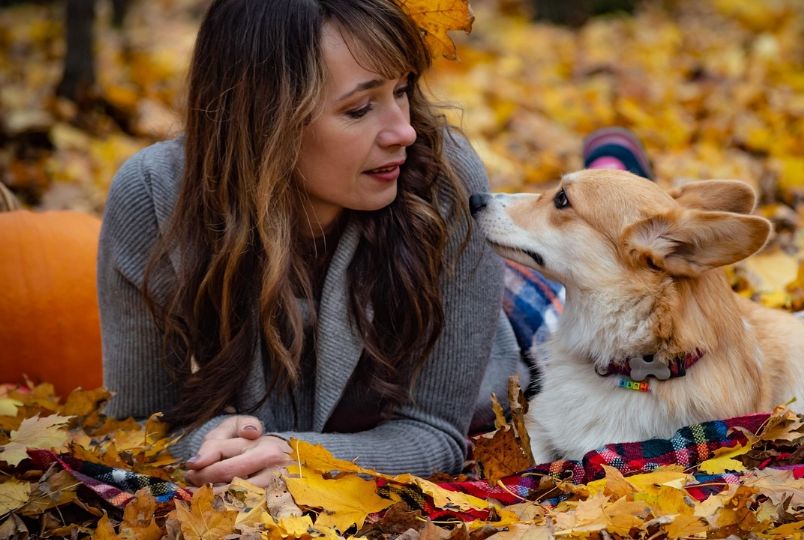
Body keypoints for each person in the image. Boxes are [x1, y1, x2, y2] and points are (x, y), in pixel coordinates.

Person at [98, 0, 654, 488]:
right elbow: (142, 424)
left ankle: (614, 171)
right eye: (359, 109)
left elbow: (436, 432)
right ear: (265, 121)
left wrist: (302, 457)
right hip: (471, 264)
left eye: (402, 91)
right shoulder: (154, 199)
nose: (403, 132)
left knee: (595, 263)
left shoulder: (442, 180)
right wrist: (209, 447)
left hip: (509, 318)